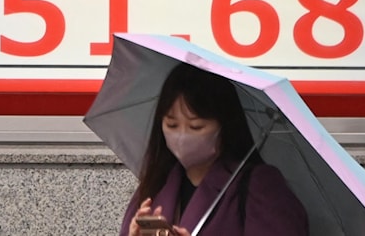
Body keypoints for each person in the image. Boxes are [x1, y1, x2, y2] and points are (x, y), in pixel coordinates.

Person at [119, 63, 308, 236]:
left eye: (196, 127)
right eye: (172, 125)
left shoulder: (259, 187)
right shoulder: (155, 185)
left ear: (225, 126)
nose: (182, 136)